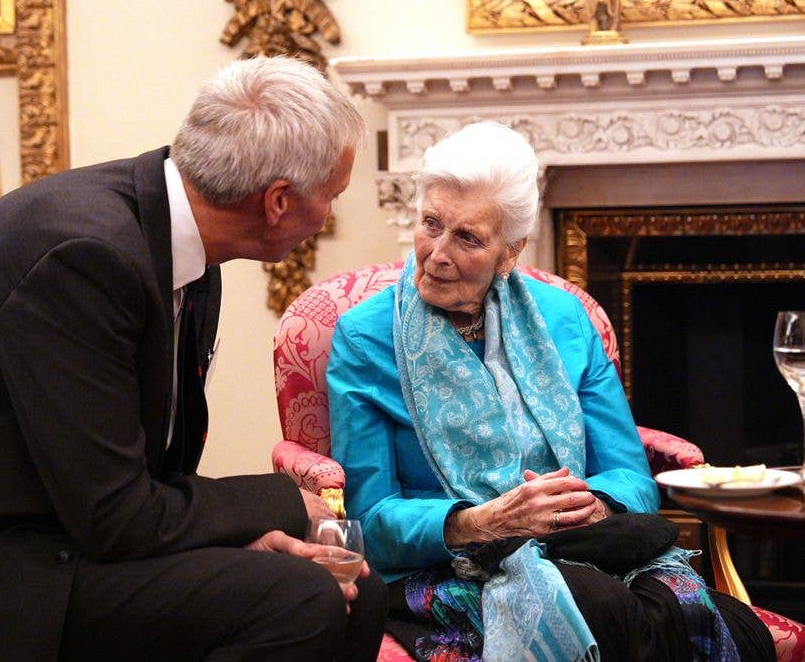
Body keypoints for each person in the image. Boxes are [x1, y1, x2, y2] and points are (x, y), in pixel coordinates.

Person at [0, 56, 387, 661]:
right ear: (277, 201)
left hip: (67, 538)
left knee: (354, 591)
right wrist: (280, 503)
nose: (329, 216)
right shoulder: (84, 257)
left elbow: (137, 484)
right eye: (332, 196)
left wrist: (245, 535)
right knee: (302, 600)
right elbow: (115, 516)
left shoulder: (184, 247)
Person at [326, 122, 775, 661]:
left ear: (510, 252)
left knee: (704, 616)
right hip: (450, 566)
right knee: (599, 608)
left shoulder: (566, 320)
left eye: (467, 238)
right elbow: (367, 519)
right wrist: (487, 520)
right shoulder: (365, 337)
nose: (437, 254)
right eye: (431, 224)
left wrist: (589, 506)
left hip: (586, 546)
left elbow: (631, 477)